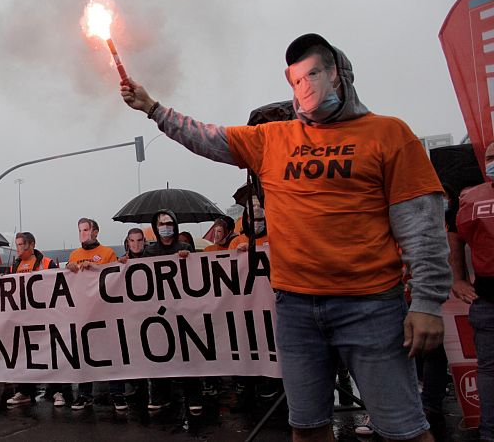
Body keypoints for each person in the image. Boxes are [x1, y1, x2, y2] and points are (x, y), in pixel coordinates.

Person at [121, 33, 450, 441]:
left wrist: (427, 302)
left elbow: (422, 223)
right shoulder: (273, 138)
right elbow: (206, 136)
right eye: (296, 80)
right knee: (307, 429)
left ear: (340, 75)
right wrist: (153, 108)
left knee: (404, 431)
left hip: (370, 307)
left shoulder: (388, 134)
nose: (305, 86)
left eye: (314, 73)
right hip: (296, 309)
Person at [450, 143, 494, 442]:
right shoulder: (472, 199)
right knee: (489, 371)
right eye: (490, 157)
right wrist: (459, 278)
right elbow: (455, 235)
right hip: (489, 299)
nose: (493, 162)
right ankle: (490, 432)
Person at [139, 210, 203, 415]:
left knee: (187, 352)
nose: (165, 227)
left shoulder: (184, 247)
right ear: (156, 228)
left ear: (175, 225)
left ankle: (193, 396)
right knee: (159, 353)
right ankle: (159, 395)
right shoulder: (149, 251)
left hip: (183, 309)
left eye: (168, 223)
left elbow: (195, 274)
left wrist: (188, 258)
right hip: (158, 310)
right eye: (161, 224)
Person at [66, 218, 123, 411]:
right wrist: (69, 269)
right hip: (83, 313)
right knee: (84, 355)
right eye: (79, 230)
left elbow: (116, 279)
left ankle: (117, 394)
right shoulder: (74, 255)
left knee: (111, 354)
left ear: (95, 232)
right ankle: (84, 395)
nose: (82, 234)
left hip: (104, 312)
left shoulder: (108, 253)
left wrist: (97, 269)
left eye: (86, 230)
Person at [6, 232, 61, 407]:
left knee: (51, 354)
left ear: (32, 245)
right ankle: (25, 391)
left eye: (21, 245)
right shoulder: (15, 266)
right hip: (24, 320)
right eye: (17, 245)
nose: (18, 249)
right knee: (25, 356)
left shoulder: (47, 263)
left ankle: (58, 390)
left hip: (45, 317)